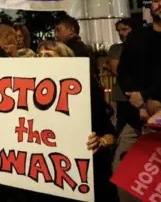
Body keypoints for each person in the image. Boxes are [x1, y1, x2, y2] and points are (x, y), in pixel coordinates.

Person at [36, 41, 118, 202]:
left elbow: (110, 136)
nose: (41, 59)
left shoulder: (86, 91)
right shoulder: (30, 94)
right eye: (39, 55)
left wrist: (100, 142)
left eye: (48, 55)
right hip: (48, 178)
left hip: (84, 177)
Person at [115, 0, 161, 202]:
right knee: (124, 178)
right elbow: (124, 71)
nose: (160, 4)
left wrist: (147, 99)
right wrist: (136, 99)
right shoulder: (138, 36)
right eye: (157, 0)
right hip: (137, 120)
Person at [106, 19, 134, 138]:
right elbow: (116, 70)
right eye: (119, 31)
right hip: (123, 96)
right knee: (123, 130)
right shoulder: (117, 48)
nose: (121, 33)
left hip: (144, 96)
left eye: (125, 29)